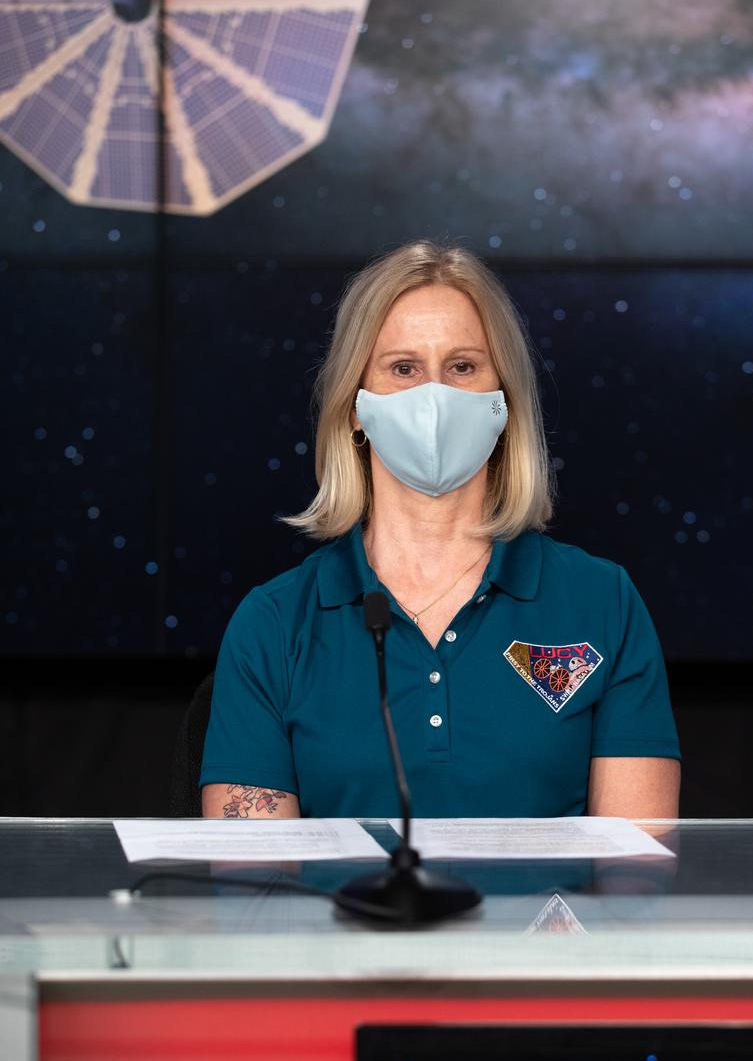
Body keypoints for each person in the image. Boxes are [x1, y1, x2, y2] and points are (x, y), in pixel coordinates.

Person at [200, 241, 681, 820]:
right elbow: (256, 873)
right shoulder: (275, 623)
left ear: (504, 402)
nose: (434, 396)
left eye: (463, 367)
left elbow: (633, 861)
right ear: (355, 407)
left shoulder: (602, 602)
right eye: (403, 368)